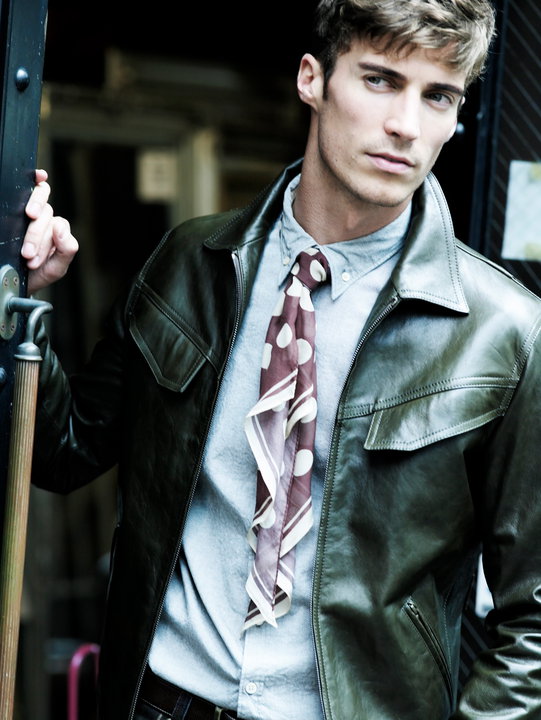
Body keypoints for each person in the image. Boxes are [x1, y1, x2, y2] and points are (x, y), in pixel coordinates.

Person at [20, 0, 541, 718]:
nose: (406, 125)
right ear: (311, 80)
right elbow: (61, 451)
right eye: (380, 80)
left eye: (439, 96)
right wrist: (21, 304)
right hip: (161, 702)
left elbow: (532, 618)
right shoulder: (190, 263)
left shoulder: (503, 331)